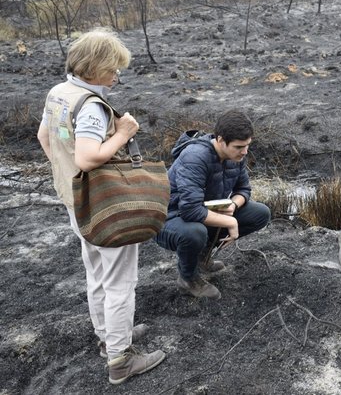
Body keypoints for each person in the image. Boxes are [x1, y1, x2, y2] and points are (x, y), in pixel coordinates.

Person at [37, 28, 166, 384]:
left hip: (75, 201)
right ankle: (121, 360)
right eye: (113, 68)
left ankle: (108, 337)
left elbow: (44, 137)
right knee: (120, 283)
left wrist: (68, 175)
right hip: (103, 206)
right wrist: (123, 134)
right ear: (94, 67)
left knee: (96, 273)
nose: (117, 76)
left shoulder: (59, 93)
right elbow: (90, 156)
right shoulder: (92, 106)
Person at [155, 109, 271, 299]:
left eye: (247, 145)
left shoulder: (236, 156)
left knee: (261, 213)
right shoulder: (195, 157)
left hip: (202, 210)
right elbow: (189, 210)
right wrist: (230, 222)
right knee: (194, 233)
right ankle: (188, 278)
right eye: (239, 146)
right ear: (220, 140)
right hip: (168, 218)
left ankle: (202, 257)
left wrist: (233, 205)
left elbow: (244, 189)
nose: (245, 151)